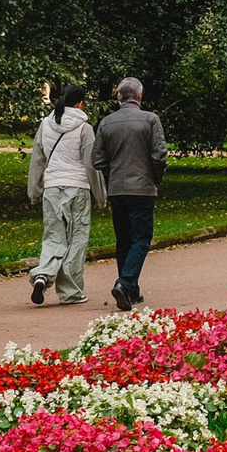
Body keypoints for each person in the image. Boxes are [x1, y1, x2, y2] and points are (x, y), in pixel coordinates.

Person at [94, 78, 169, 311]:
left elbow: (97, 159)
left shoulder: (106, 123)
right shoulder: (150, 119)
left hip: (116, 189)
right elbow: (160, 155)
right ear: (139, 96)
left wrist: (112, 174)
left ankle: (131, 292)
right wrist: (155, 177)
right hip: (142, 188)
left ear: (119, 97)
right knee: (141, 239)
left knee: (123, 240)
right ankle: (125, 283)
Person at [27, 83, 104, 305]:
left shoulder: (45, 124)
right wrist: (100, 195)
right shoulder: (84, 128)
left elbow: (38, 160)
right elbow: (91, 166)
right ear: (80, 103)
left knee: (53, 235)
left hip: (52, 187)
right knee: (77, 238)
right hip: (77, 188)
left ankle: (42, 274)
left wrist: (34, 190)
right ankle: (71, 292)